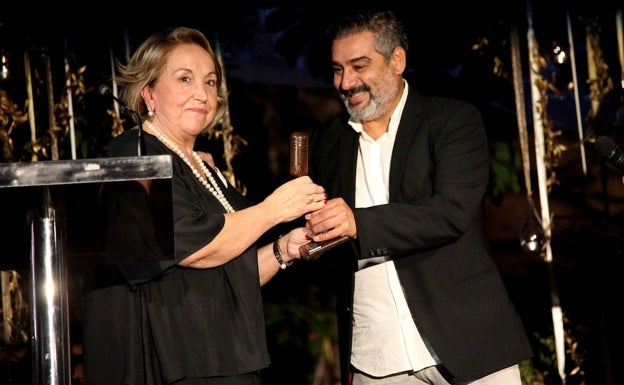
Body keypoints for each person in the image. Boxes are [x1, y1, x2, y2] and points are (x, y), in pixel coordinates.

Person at [82, 26, 327, 385]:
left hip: (220, 358)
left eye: (210, 82)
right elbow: (195, 249)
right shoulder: (134, 158)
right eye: (185, 79)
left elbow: (226, 270)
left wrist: (282, 250)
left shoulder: (202, 166)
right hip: (172, 365)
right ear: (148, 92)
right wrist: (273, 210)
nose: (202, 93)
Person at [305, 9, 533, 385]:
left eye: (359, 66)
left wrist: (357, 223)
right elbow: (305, 226)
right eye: (337, 69)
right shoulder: (327, 140)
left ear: (397, 60)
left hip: (469, 343)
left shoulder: (451, 121)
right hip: (375, 354)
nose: (346, 82)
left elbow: (452, 212)